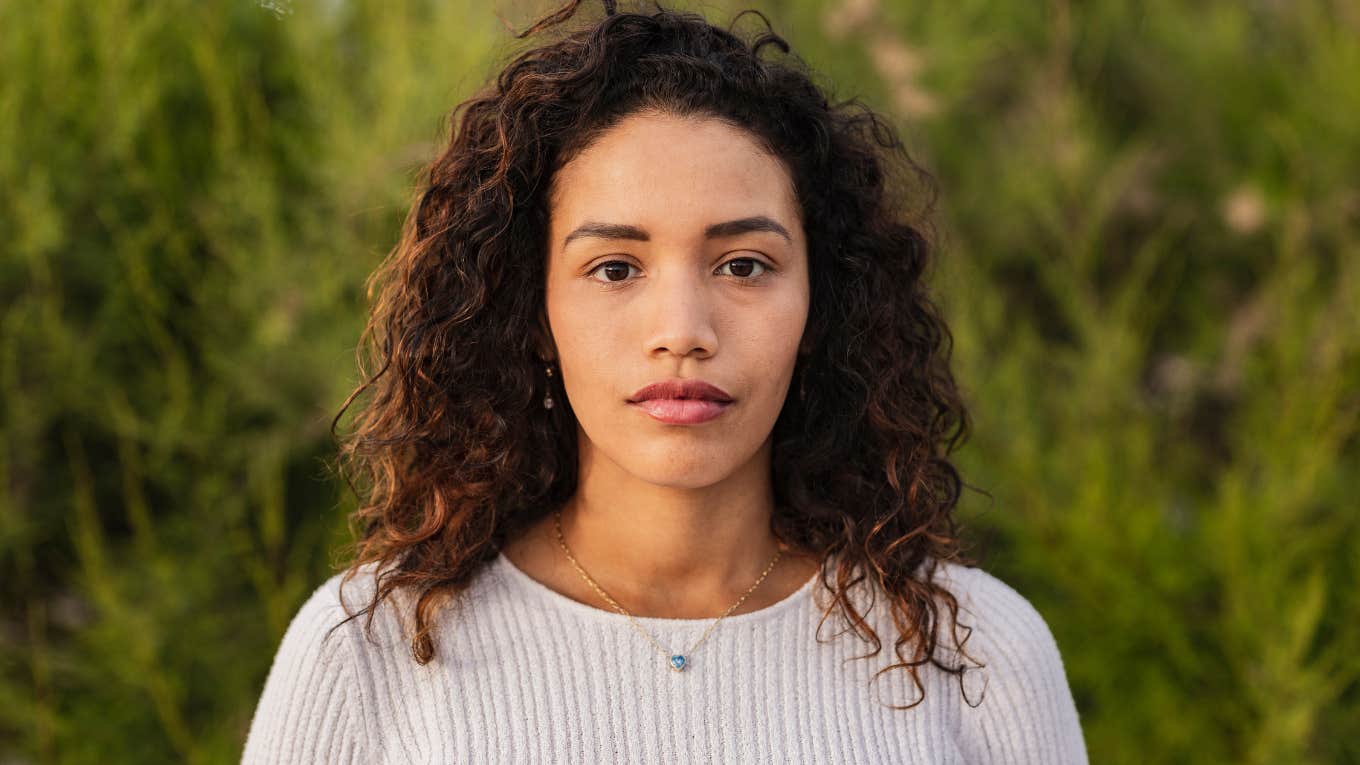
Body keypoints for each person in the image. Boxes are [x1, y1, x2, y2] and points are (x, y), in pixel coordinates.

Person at [241, 0, 1089, 761]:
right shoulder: (368, 651)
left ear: (820, 302)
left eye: (745, 265)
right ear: (531, 312)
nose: (683, 330)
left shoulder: (975, 649)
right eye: (615, 268)